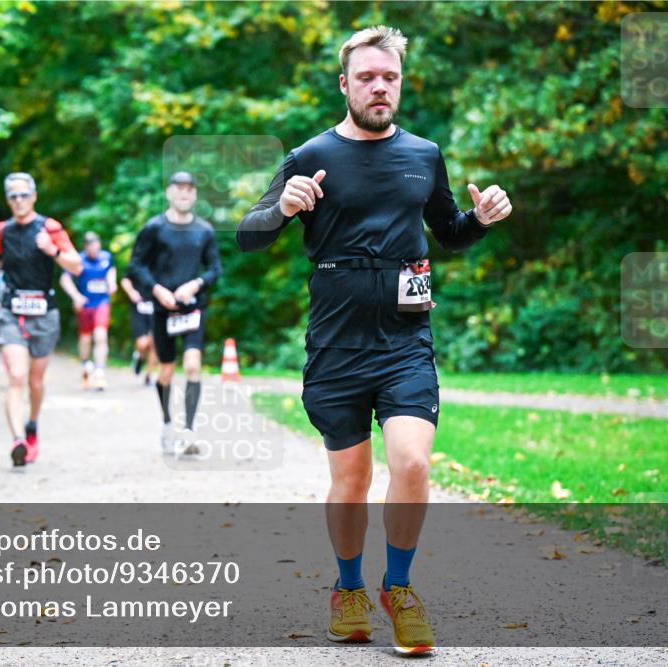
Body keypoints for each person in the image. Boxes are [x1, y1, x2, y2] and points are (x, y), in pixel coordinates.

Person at [237, 26, 512, 655]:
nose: (379, 87)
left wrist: (480, 220)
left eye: (389, 77)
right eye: (366, 77)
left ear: (401, 83)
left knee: (412, 462)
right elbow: (250, 235)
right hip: (336, 343)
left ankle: (399, 588)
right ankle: (348, 589)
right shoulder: (310, 155)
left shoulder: (424, 154)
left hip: (405, 340)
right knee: (352, 480)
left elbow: (449, 231)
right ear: (345, 84)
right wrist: (283, 208)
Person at [0, 172, 82, 467]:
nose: (19, 201)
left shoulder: (50, 228)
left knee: (35, 381)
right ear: (8, 200)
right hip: (12, 311)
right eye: (13, 196)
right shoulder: (0, 231)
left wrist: (52, 250)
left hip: (44, 313)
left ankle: (31, 426)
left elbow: (76, 266)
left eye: (23, 195)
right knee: (16, 376)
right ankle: (17, 440)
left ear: (34, 197)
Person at [128, 171, 222, 456]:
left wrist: (196, 284)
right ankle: (168, 424)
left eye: (188, 189)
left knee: (193, 365)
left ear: (194, 195)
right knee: (166, 371)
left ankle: (189, 431)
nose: (183, 193)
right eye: (178, 188)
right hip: (162, 309)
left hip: (192, 309)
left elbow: (215, 269)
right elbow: (135, 266)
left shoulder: (204, 230)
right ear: (169, 192)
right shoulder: (154, 228)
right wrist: (157, 290)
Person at [60, 231, 117, 391]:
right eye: (91, 246)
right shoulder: (79, 260)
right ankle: (85, 365)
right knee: (85, 339)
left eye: (96, 245)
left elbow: (111, 270)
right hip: (85, 305)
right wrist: (76, 297)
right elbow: (65, 279)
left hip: (102, 303)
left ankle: (100, 372)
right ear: (85, 247)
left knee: (100, 336)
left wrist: (112, 282)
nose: (94, 249)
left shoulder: (106, 257)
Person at [120, 273, 157, 386]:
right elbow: (125, 279)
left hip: (157, 308)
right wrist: (131, 292)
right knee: (142, 343)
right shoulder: (138, 264)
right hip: (139, 307)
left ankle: (149, 375)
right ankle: (139, 357)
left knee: (155, 343)